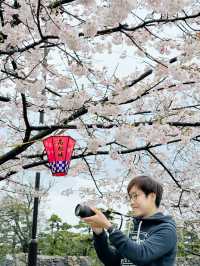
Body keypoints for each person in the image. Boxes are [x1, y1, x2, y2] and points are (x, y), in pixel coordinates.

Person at [81, 175, 177, 266]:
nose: (131, 202)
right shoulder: (134, 228)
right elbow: (112, 261)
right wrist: (99, 233)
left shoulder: (166, 230)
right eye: (130, 197)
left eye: (135, 196)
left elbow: (141, 255)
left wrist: (110, 228)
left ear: (152, 196)